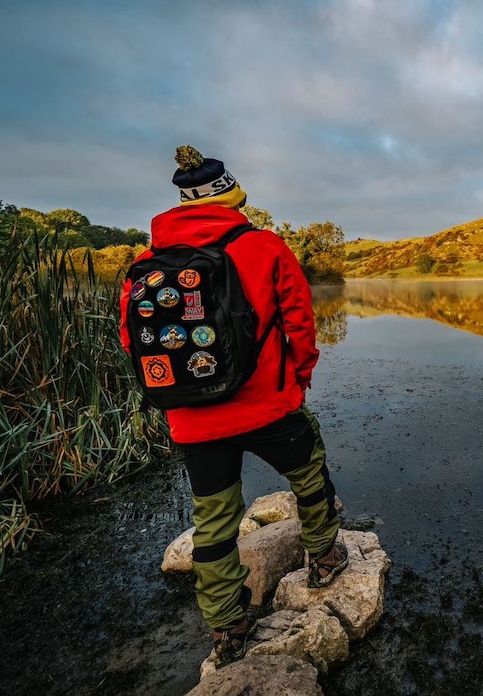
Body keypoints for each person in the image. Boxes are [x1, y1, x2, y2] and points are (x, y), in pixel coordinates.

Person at [119, 146, 348, 668]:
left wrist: (178, 401)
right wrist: (299, 378)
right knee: (310, 474)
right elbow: (301, 325)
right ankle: (325, 557)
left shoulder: (143, 267)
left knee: (214, 520)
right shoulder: (264, 247)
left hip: (192, 420)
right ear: (231, 198)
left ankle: (228, 624)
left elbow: (134, 343)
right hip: (268, 404)